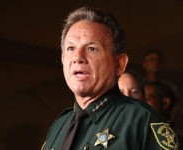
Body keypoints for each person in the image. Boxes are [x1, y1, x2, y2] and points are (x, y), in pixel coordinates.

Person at [41, 7, 178, 150]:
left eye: (92, 48)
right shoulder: (59, 125)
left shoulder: (143, 122)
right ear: (63, 60)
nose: (78, 57)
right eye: (71, 48)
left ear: (120, 64)